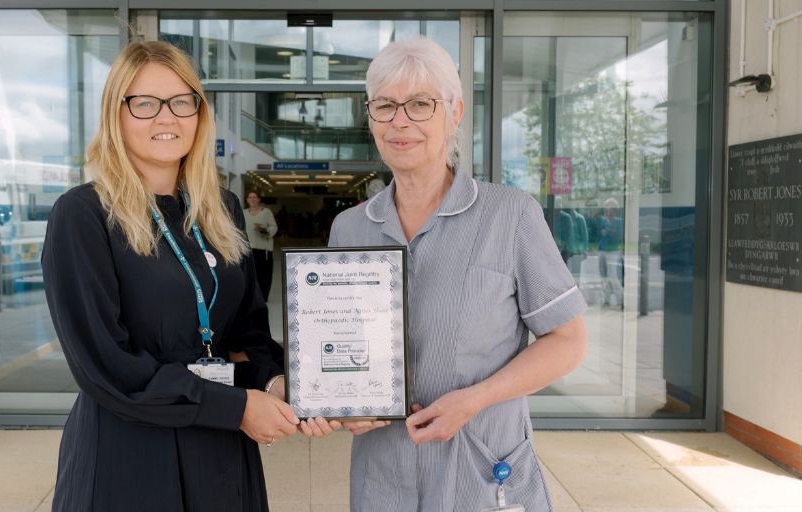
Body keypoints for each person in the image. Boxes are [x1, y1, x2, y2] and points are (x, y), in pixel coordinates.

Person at [326, 38, 588, 511]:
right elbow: (342, 349)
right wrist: (343, 402)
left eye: (420, 104)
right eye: (384, 105)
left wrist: (475, 399)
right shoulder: (350, 228)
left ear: (454, 113)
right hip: (382, 475)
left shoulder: (510, 215)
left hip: (480, 469)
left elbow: (567, 341)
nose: (400, 121)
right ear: (371, 118)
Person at [41, 41, 299, 512]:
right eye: (145, 103)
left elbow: (247, 332)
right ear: (116, 114)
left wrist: (272, 383)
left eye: (182, 102)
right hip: (131, 454)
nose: (167, 117)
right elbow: (107, 366)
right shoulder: (83, 215)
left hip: (220, 450)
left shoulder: (223, 209)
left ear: (200, 113)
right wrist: (238, 407)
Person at [244, 190, 278, 301]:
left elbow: (274, 226)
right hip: (248, 249)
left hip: (264, 250)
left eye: (255, 197)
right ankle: (252, 297)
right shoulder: (244, 213)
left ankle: (263, 298)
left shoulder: (266, 212)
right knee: (250, 275)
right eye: (250, 197)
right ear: (247, 200)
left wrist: (266, 231)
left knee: (264, 275)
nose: (252, 199)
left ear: (259, 199)